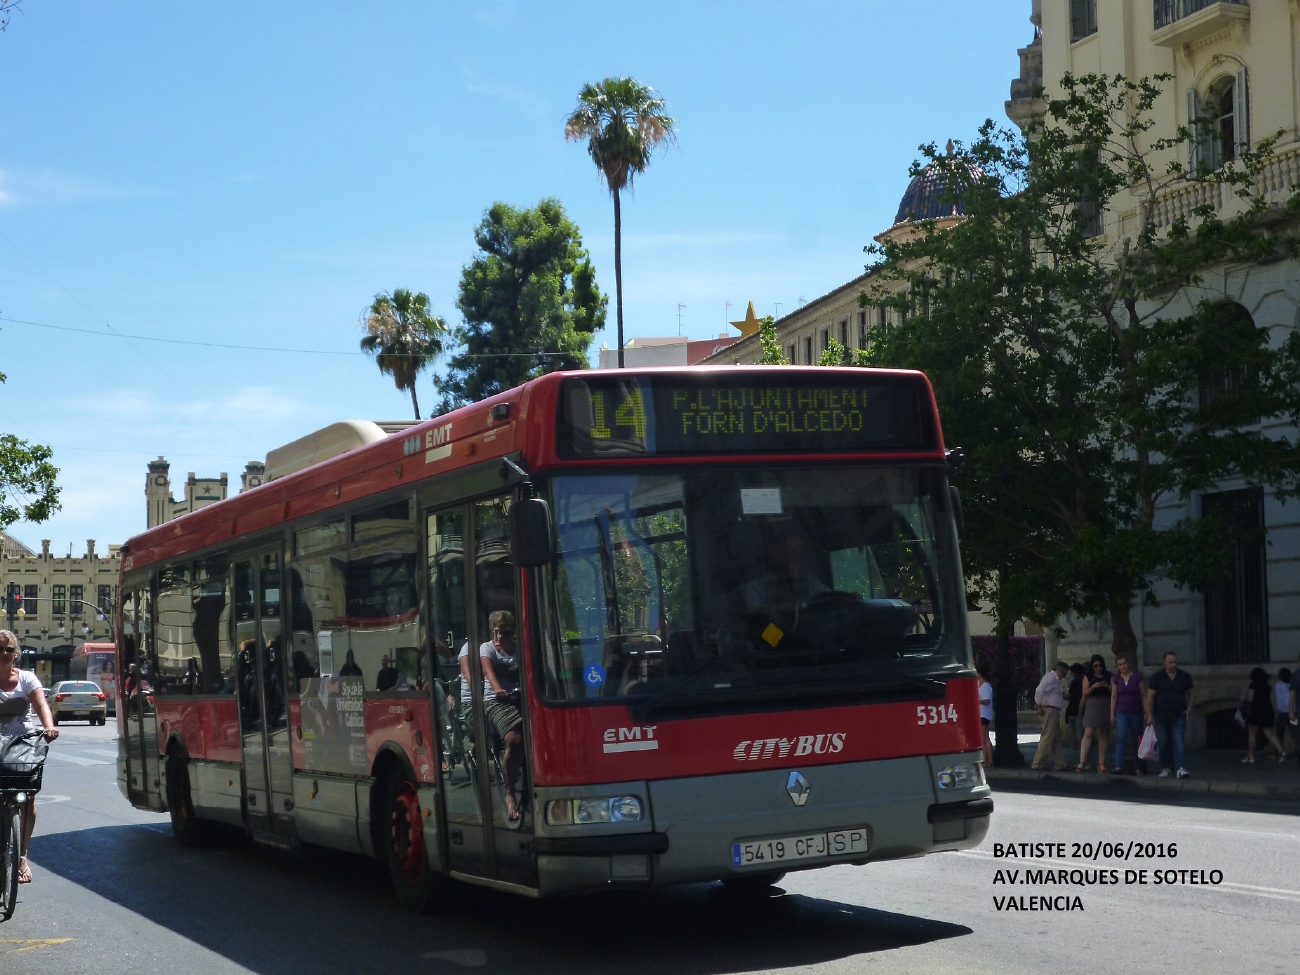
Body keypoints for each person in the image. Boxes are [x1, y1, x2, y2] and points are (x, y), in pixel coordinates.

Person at [0, 629, 59, 886]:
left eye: (9, 649)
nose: (4, 654)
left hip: (22, 742)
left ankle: (22, 855)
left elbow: (41, 705)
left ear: (16, 653)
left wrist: (49, 726)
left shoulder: (26, 679)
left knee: (28, 795)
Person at [458, 610, 524, 822]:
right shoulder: (485, 648)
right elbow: (488, 671)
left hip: (521, 697)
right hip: (496, 700)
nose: (499, 637)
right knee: (514, 739)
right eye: (495, 632)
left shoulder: (519, 647)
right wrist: (497, 688)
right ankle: (511, 793)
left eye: (503, 632)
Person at [1145, 651, 1194, 779]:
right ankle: (1165, 767)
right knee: (1163, 742)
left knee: (1178, 741)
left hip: (1179, 714)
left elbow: (1191, 693)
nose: (1173, 665)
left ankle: (1180, 767)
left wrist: (1188, 709)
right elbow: (1150, 697)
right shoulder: (1157, 677)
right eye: (1170, 662)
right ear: (1164, 663)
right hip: (1160, 716)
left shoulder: (1184, 676)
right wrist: (1149, 715)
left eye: (1175, 662)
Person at [1031, 661, 1070, 771]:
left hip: (1053, 710)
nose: (1065, 676)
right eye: (1064, 673)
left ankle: (1060, 763)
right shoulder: (1050, 678)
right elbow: (1039, 690)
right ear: (1060, 671)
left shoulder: (1054, 680)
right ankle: (1037, 763)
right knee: (1048, 737)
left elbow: (1054, 693)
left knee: (1055, 738)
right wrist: (1039, 706)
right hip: (1049, 710)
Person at [1075, 655, 1112, 772]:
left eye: (1100, 665)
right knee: (1088, 731)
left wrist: (1107, 686)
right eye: (1095, 666)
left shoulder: (1109, 675)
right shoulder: (1088, 676)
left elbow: (1114, 692)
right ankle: (1082, 762)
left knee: (1104, 732)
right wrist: (1094, 687)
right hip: (1092, 703)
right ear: (1092, 666)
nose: (1098, 668)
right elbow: (1085, 693)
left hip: (1105, 704)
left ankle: (1101, 763)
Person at [1110, 655, 1145, 774]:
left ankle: (1138, 767)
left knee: (1136, 739)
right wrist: (1112, 714)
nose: (1123, 666)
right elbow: (1114, 696)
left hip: (1136, 711)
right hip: (1121, 711)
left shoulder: (1137, 677)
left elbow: (1143, 695)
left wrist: (1146, 712)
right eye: (1120, 665)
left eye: (1124, 663)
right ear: (1117, 667)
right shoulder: (1116, 679)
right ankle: (1118, 766)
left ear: (1128, 663)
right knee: (1121, 738)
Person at [1242, 667, 1284, 763]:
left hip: (1256, 711)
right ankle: (1280, 752)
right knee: (1269, 734)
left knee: (1252, 734)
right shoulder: (1267, 685)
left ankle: (1250, 756)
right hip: (1267, 710)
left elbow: (1250, 699)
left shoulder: (1253, 685)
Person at [976, 662, 994, 767]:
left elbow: (986, 700)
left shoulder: (986, 686)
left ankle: (990, 760)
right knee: (982, 738)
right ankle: (985, 759)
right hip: (981, 714)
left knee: (985, 738)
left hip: (984, 714)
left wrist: (976, 701)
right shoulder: (980, 685)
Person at [1272, 668, 1292, 760]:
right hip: (1292, 712)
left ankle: (1278, 754)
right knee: (1296, 733)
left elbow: (1276, 698)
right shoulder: (1292, 685)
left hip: (1282, 713)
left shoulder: (1278, 685)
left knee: (1279, 734)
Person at [1064, 662, 1085, 746]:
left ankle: (1083, 754)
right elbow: (1071, 696)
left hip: (1079, 712)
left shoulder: (1083, 683)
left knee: (1080, 735)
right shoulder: (1074, 683)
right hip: (1072, 711)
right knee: (1075, 735)